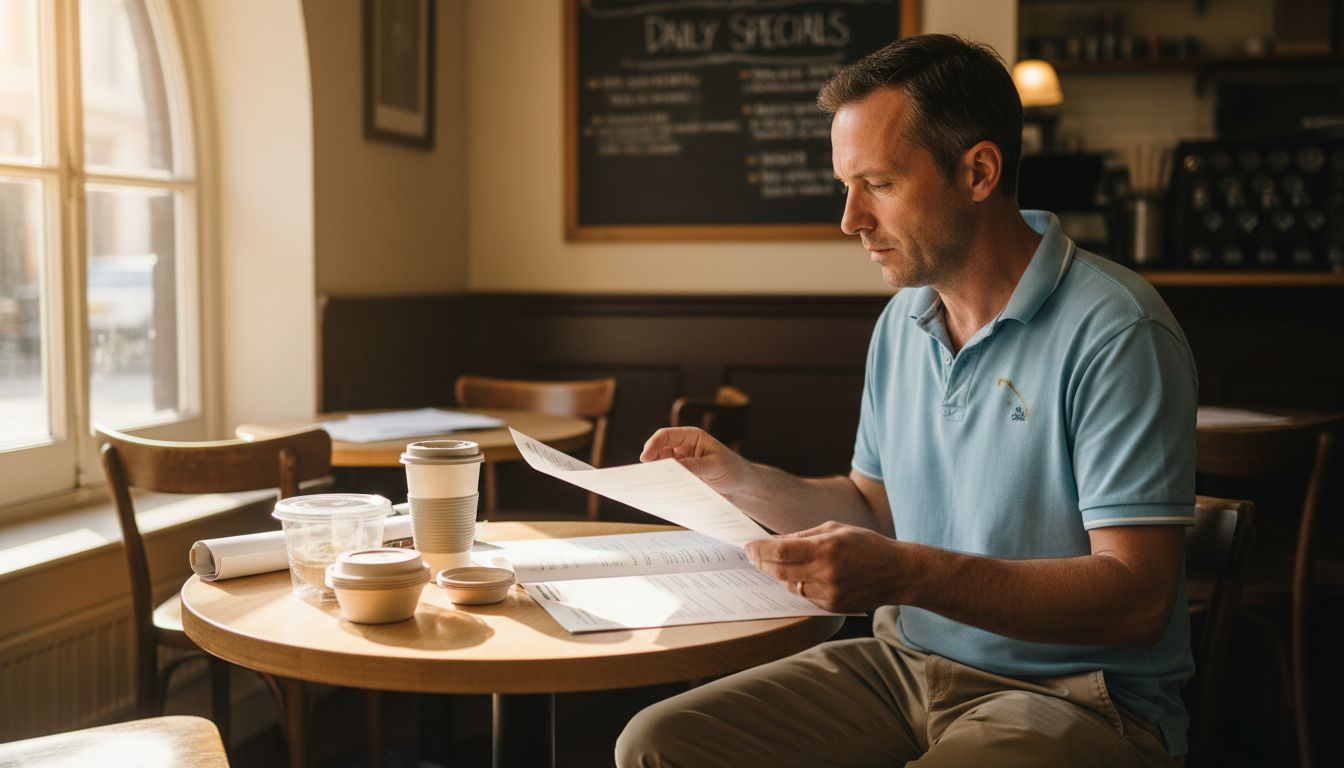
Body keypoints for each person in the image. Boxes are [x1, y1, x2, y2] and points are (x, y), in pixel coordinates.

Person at [616, 34, 1197, 768]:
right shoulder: (903, 320)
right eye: (846, 186)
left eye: (879, 184)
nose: (850, 219)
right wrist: (743, 481)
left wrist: (905, 573)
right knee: (655, 745)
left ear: (978, 172)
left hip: (1078, 696)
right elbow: (875, 508)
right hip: (904, 667)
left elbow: (1139, 600)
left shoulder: (1118, 329)